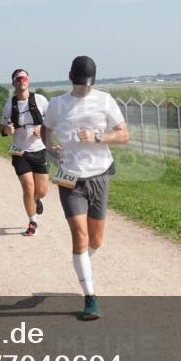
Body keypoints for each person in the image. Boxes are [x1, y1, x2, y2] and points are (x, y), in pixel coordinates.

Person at [43, 56, 129, 321]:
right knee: (79, 237)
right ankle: (90, 298)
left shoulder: (105, 100)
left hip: (99, 175)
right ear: (71, 77)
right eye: (80, 83)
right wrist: (50, 149)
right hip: (70, 178)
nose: (84, 88)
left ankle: (81, 262)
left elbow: (124, 135)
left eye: (88, 84)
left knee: (96, 241)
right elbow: (45, 130)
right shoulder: (57, 104)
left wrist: (97, 137)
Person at [0, 69, 50, 237]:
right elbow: (2, 128)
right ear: (13, 83)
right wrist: (7, 129)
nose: (22, 81)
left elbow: (52, 122)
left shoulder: (40, 100)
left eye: (24, 78)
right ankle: (32, 221)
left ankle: (37, 199)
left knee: (41, 190)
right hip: (19, 151)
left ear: (28, 81)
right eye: (18, 79)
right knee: (28, 187)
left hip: (39, 149)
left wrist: (41, 127)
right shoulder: (10, 104)